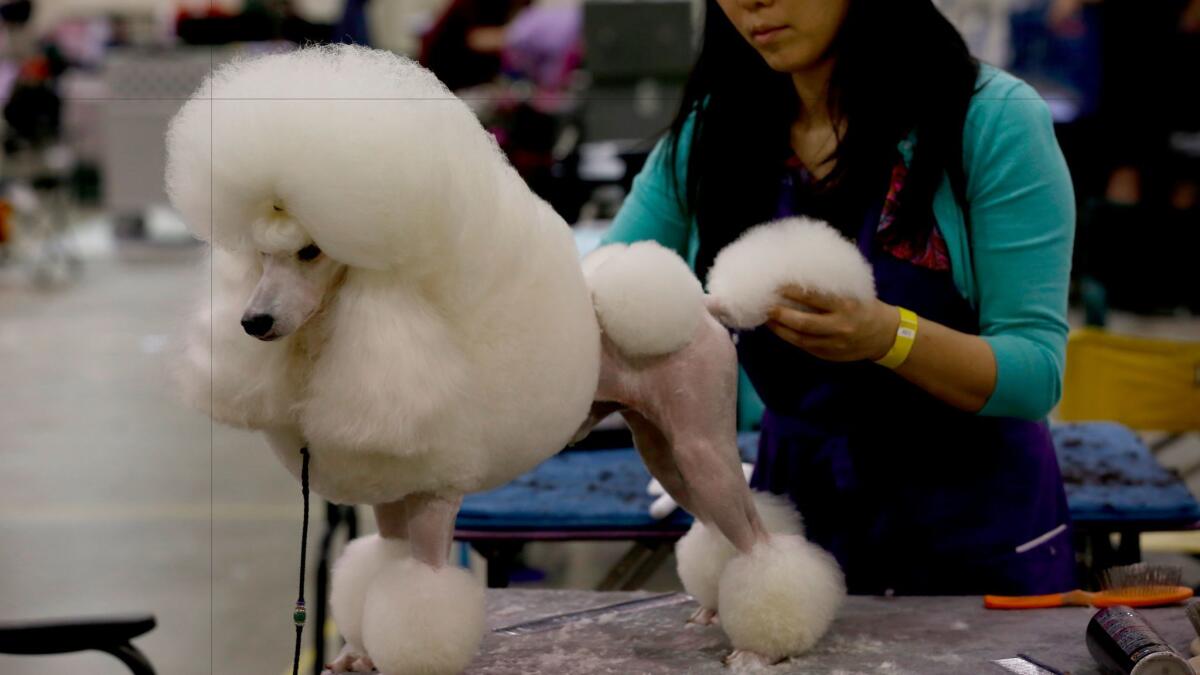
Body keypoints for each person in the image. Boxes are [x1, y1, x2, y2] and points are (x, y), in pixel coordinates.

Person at [603, 0, 1077, 595]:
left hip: (975, 532)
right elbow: (598, 293)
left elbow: (1035, 373)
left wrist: (888, 337)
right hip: (798, 520)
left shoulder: (989, 119)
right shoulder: (714, 130)